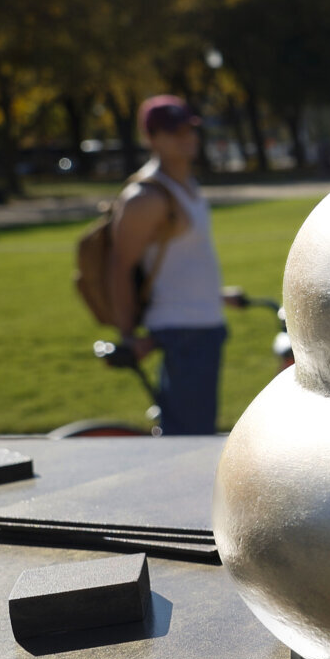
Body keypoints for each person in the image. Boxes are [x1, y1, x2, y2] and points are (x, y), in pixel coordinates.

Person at [106, 95, 229, 434]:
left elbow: (183, 260)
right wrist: (128, 334)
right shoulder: (146, 198)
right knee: (189, 441)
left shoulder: (186, 185)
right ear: (151, 138)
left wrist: (216, 295)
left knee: (196, 432)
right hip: (181, 332)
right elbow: (120, 267)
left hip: (204, 324)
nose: (186, 137)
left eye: (189, 128)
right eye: (174, 131)